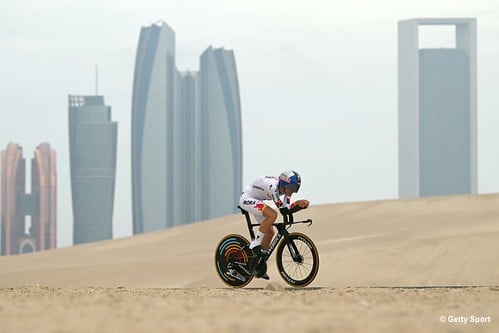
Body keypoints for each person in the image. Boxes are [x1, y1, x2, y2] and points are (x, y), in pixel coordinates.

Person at [239, 170, 310, 260]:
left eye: (295, 188)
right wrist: (296, 203)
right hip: (247, 198)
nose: (292, 191)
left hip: (257, 200)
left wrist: (299, 206)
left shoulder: (286, 190)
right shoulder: (272, 187)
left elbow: (286, 208)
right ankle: (255, 244)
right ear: (284, 185)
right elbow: (282, 209)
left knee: (270, 233)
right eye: (292, 188)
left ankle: (257, 263)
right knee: (272, 215)